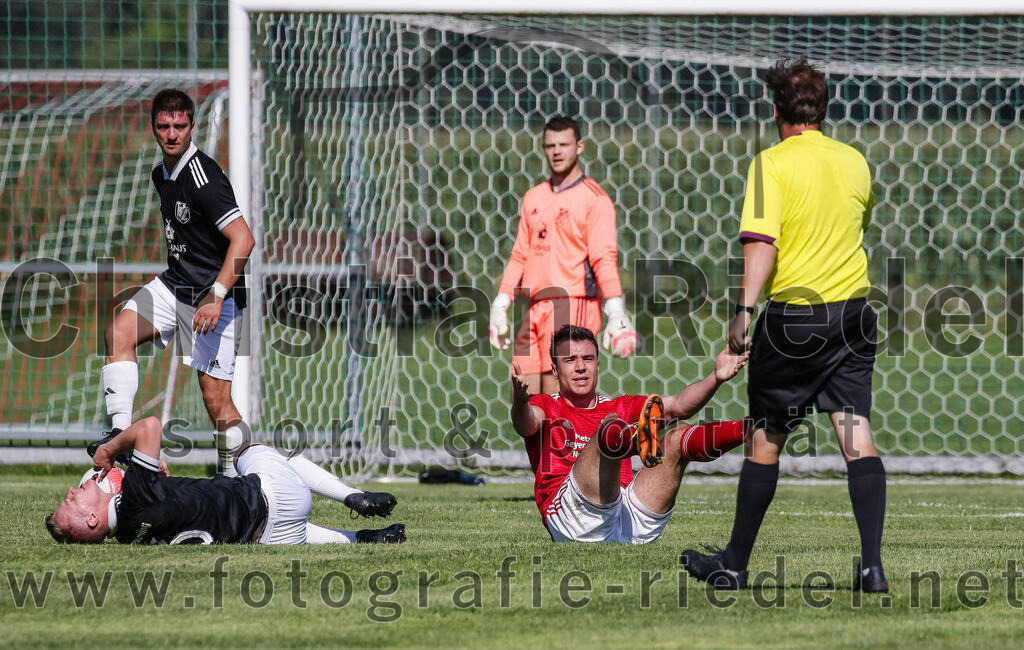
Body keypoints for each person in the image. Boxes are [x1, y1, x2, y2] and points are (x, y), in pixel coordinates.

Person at [682, 59, 887, 592]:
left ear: (777, 111)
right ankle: (871, 567)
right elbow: (856, 228)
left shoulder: (771, 163)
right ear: (822, 109)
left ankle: (734, 562)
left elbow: (762, 244)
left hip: (797, 319)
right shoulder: (856, 161)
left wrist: (744, 312)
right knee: (855, 433)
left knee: (766, 439)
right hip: (854, 314)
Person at [92, 89, 255, 476]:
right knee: (118, 334)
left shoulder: (204, 178)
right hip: (175, 285)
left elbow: (244, 239)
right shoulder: (160, 174)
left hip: (216, 296)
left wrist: (216, 297)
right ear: (153, 128)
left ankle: (239, 482)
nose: (172, 134)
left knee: (216, 400)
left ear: (191, 127)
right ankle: (120, 440)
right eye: (164, 126)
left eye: (180, 126)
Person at [511, 325, 749, 544]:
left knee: (679, 436)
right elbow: (526, 425)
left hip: (630, 519)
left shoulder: (620, 406)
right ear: (554, 369)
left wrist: (716, 378)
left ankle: (751, 428)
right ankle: (636, 441)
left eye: (588, 359)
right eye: (570, 360)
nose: (581, 367)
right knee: (610, 425)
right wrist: (521, 402)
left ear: (598, 365)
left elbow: (679, 406)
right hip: (575, 520)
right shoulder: (544, 405)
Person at [47, 417, 404, 545]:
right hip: (278, 497)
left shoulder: (128, 535)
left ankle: (363, 539)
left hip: (268, 538)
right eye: (70, 501)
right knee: (248, 448)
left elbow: (166, 496)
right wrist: (110, 449)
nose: (69, 491)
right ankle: (352, 496)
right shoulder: (133, 498)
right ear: (93, 519)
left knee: (285, 530)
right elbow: (150, 427)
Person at [490, 116, 636, 397]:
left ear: (579, 146)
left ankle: (592, 438)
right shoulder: (533, 197)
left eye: (564, 144)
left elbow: (604, 258)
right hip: (535, 307)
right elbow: (520, 254)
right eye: (550, 145)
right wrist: (500, 303)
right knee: (523, 397)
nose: (557, 151)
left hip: (573, 306)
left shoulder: (595, 199)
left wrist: (616, 311)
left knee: (562, 404)